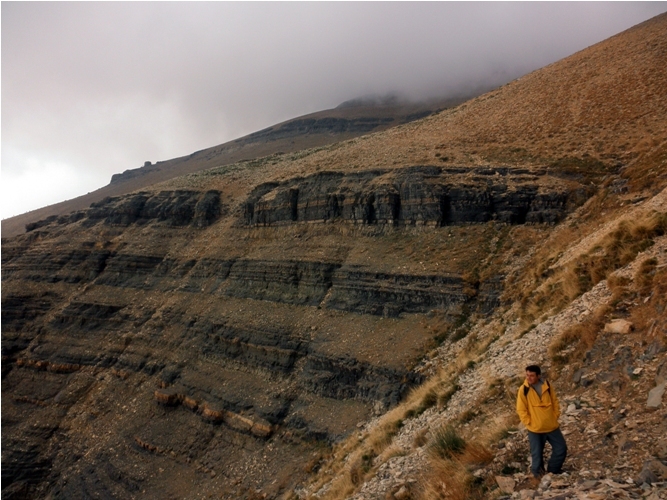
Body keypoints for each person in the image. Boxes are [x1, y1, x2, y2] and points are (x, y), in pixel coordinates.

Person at [516, 364, 567, 479]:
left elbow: (555, 401)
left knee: (561, 449)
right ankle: (539, 478)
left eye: (532, 376)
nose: (528, 378)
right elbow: (521, 409)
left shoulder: (547, 385)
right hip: (535, 429)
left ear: (538, 376)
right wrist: (529, 422)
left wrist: (555, 415)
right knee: (537, 455)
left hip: (551, 426)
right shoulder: (523, 390)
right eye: (527, 375)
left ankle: (553, 471)